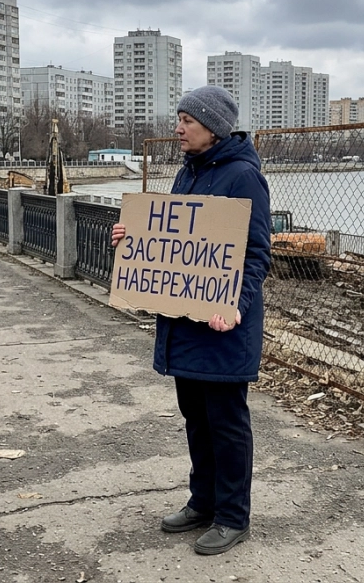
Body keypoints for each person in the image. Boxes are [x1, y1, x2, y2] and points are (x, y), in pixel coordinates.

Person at [111, 86, 271, 555]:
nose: (178, 129)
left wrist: (237, 304)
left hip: (223, 326)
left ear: (214, 127)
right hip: (186, 322)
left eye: (188, 121)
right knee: (196, 419)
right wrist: (130, 236)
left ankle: (232, 516)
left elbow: (256, 253)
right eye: (178, 119)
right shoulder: (188, 173)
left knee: (226, 422)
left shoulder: (243, 177)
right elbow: (172, 238)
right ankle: (203, 502)